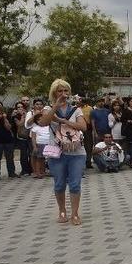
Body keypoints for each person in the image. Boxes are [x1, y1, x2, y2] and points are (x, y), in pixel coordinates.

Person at [39, 79, 88, 225]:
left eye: (66, 91)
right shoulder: (48, 109)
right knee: (59, 184)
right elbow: (43, 122)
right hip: (56, 151)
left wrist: (64, 121)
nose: (63, 94)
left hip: (77, 151)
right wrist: (55, 107)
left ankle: (75, 214)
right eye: (60, 91)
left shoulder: (76, 109)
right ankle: (62, 211)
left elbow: (83, 127)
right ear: (54, 92)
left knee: (75, 184)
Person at [11, 101, 33, 176]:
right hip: (21, 137)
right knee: (23, 154)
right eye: (18, 107)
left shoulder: (29, 114)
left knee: (31, 153)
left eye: (21, 107)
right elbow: (19, 124)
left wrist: (26, 115)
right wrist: (23, 117)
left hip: (30, 136)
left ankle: (32, 169)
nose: (20, 108)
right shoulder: (15, 116)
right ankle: (24, 170)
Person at [30, 109, 51, 179]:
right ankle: (37, 172)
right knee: (39, 159)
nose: (41, 121)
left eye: (42, 119)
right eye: (38, 120)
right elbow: (33, 138)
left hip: (48, 145)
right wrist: (35, 147)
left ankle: (43, 171)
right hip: (40, 145)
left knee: (46, 159)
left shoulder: (48, 127)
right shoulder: (35, 128)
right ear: (36, 121)